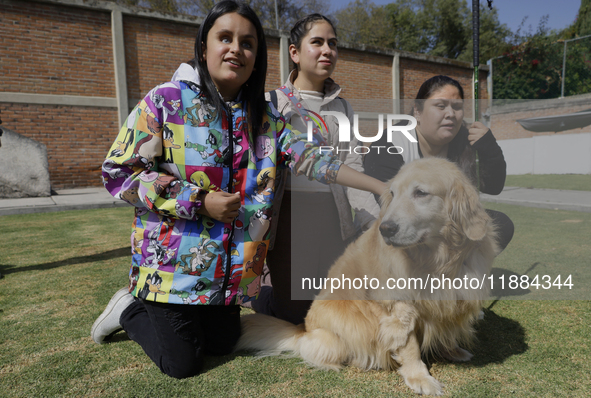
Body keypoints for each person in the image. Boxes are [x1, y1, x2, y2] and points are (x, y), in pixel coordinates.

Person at [90, 0, 385, 379]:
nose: (236, 49)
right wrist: (198, 201)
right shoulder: (165, 101)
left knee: (226, 343)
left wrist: (380, 185)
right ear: (203, 47)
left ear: (257, 56)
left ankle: (188, 317)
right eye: (224, 38)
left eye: (247, 43)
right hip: (169, 270)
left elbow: (316, 160)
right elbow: (119, 172)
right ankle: (129, 309)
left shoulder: (266, 118)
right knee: (183, 364)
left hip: (225, 276)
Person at [248, 14, 378, 325]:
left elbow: (352, 164)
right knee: (296, 316)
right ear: (294, 52)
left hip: (332, 215)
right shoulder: (271, 103)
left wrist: (371, 218)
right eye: (317, 42)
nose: (327, 50)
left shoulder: (343, 108)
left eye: (333, 44)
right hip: (289, 216)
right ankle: (259, 294)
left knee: (335, 307)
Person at [363, 75, 514, 251]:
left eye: (457, 107)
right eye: (440, 106)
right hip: (389, 226)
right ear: (417, 112)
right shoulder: (391, 143)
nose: (450, 114)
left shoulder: (463, 142)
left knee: (501, 224)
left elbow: (493, 187)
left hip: (439, 227)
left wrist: (490, 149)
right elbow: (387, 205)